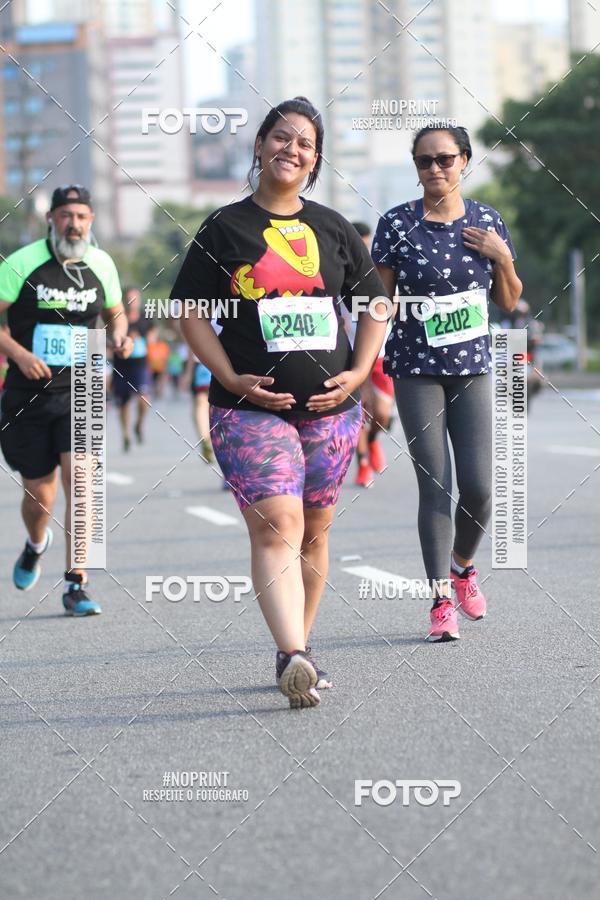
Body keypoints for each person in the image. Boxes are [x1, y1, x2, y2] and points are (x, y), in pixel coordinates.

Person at [172, 96, 388, 707]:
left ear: (315, 161)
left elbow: (375, 305)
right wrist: (230, 376)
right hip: (247, 410)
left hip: (331, 410)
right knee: (278, 523)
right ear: (259, 145)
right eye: (281, 138)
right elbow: (186, 310)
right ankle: (293, 653)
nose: (291, 150)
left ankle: (300, 650)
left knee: (315, 532)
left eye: (305, 144)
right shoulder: (224, 228)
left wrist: (359, 373)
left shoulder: (333, 227)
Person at [372, 125, 522, 642]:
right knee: (436, 484)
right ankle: (439, 600)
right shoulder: (395, 224)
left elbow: (508, 300)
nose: (434, 169)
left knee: (480, 488)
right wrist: (356, 368)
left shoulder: (486, 221)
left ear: (464, 160)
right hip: (415, 368)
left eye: (444, 159)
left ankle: (462, 567)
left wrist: (502, 256)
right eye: (423, 161)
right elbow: (378, 304)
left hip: (473, 365)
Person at [0, 185, 132, 615]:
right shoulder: (23, 263)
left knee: (83, 481)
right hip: (28, 393)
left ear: (91, 221)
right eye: (65, 215)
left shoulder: (101, 263)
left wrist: (120, 334)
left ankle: (77, 583)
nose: (73, 223)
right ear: (51, 220)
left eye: (81, 216)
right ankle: (37, 542)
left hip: (85, 385)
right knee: (40, 495)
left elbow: (115, 311)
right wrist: (18, 354)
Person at [350, 222, 395, 487]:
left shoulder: (383, 268)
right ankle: (363, 464)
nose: (364, 248)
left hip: (381, 356)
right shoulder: (342, 270)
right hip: (351, 355)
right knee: (358, 414)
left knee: (382, 414)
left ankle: (375, 441)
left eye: (366, 243)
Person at [111, 286, 152, 450]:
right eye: (129, 298)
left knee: (144, 398)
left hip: (140, 365)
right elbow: (108, 338)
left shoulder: (145, 319)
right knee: (124, 403)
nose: (132, 302)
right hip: (121, 366)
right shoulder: (117, 319)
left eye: (135, 298)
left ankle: (139, 424)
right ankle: (126, 434)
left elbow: (152, 338)